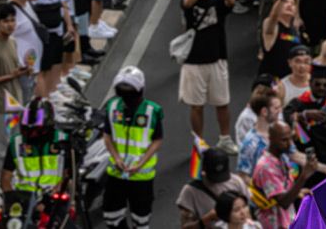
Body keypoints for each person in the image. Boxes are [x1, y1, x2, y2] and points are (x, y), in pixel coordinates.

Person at [181, 0, 239, 154]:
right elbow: (187, 3)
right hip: (193, 61)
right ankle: (199, 142)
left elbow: (231, 1)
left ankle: (225, 138)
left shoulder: (218, 1)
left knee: (222, 102)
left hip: (217, 58)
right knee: (196, 105)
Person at [103, 66, 164, 229]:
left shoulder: (152, 111)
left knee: (141, 220)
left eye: (129, 90)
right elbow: (107, 136)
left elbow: (157, 140)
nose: (126, 95)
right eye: (122, 90)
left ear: (140, 90)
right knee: (111, 216)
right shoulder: (112, 107)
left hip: (141, 177)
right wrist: (116, 159)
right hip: (116, 173)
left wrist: (141, 163)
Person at [26, 0, 76, 96]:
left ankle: (54, 92)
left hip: (57, 20)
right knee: (43, 65)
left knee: (56, 60)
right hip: (41, 22)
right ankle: (44, 97)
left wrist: (68, 24)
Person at [283, 65, 326, 177]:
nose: (322, 88)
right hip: (304, 157)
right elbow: (286, 116)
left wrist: (308, 127)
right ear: (310, 83)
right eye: (317, 84)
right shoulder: (298, 103)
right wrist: (304, 114)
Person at [0, 4, 26, 176]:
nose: (10, 24)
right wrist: (12, 75)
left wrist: (23, 71)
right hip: (1, 106)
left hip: (15, 104)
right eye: (5, 21)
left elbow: (13, 68)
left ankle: (12, 177)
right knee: (0, 145)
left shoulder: (13, 42)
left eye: (12, 20)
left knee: (15, 141)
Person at [252, 122, 317, 229]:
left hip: (286, 220)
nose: (289, 144)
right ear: (271, 139)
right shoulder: (266, 167)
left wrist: (298, 192)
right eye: (284, 140)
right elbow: (284, 202)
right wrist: (304, 175)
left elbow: (283, 189)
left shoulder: (280, 157)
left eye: (290, 138)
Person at [176, 147, 249, 229]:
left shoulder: (236, 181)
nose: (219, 182)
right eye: (215, 176)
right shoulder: (190, 191)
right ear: (203, 171)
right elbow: (185, 227)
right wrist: (207, 218)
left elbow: (248, 213)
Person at [236, 87, 280, 179]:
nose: (280, 111)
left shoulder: (280, 130)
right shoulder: (250, 144)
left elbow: (294, 154)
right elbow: (243, 176)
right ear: (264, 112)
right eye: (276, 108)